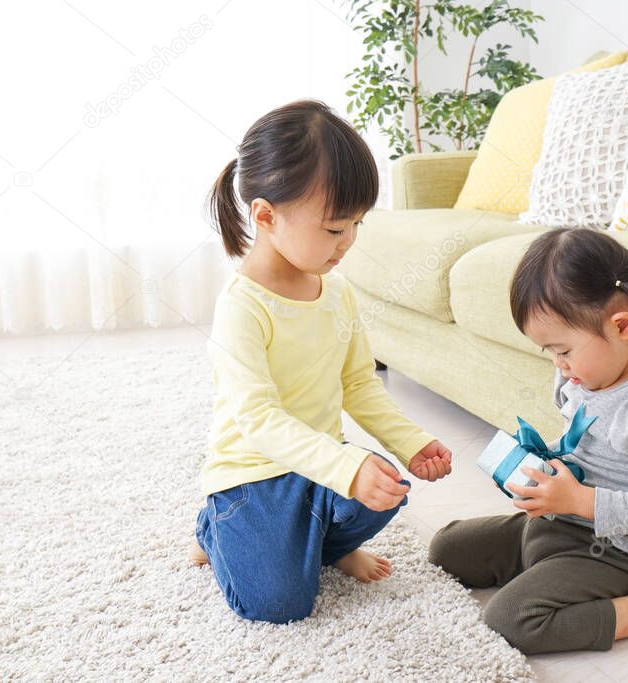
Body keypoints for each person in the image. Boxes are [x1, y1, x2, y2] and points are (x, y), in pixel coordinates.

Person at [192, 99, 453, 624]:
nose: (348, 242)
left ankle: (324, 545)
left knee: (385, 487)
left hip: (313, 464)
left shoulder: (336, 293)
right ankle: (214, 527)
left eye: (357, 224)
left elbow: (359, 384)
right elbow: (259, 420)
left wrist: (409, 441)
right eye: (335, 229)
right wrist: (343, 467)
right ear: (266, 216)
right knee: (279, 605)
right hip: (252, 477)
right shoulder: (242, 307)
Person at [429, 227, 628, 655]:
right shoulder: (586, 370)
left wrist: (579, 501)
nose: (559, 365)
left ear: (622, 326)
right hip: (558, 525)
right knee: (446, 546)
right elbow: (583, 445)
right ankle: (544, 572)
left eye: (563, 350)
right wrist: (544, 474)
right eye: (549, 352)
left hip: (615, 551)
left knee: (508, 619)